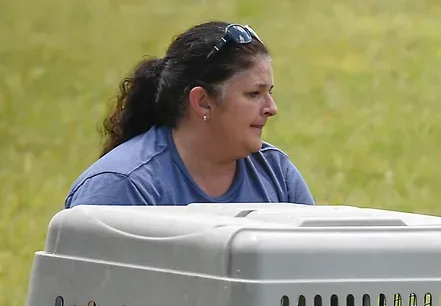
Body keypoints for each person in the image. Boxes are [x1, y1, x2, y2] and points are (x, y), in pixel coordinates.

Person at [65, 20, 315, 208]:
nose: (271, 108)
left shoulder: (275, 173)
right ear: (203, 102)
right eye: (254, 94)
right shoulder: (123, 187)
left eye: (269, 92)